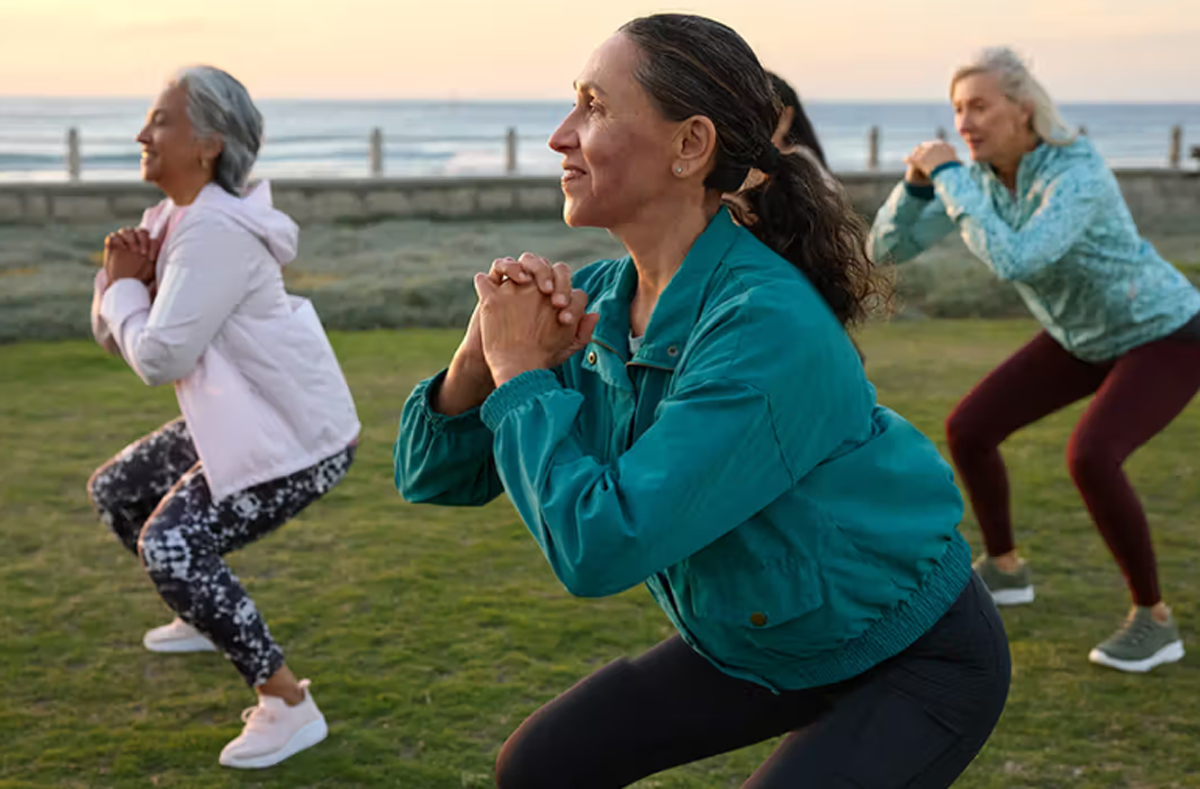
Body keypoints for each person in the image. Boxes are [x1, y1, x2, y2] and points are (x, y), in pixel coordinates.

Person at [395, 14, 1009, 788]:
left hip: (913, 651)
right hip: (760, 640)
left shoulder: (765, 325)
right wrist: (479, 356)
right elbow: (431, 475)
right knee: (541, 765)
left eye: (593, 106)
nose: (560, 135)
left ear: (691, 145)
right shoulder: (599, 301)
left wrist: (521, 374)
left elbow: (600, 545)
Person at [868, 46, 1200, 673]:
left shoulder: (1076, 172)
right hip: (1079, 337)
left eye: (980, 106)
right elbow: (884, 247)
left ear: (1022, 110)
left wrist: (951, 178)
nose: (964, 122)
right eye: (957, 109)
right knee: (970, 429)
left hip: (1163, 331)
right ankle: (1006, 569)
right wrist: (915, 188)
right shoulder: (981, 179)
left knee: (1093, 455)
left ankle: (1155, 621)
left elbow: (1020, 257)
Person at [87, 66, 361, 767]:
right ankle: (202, 611)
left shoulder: (215, 231)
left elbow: (155, 355)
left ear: (209, 143)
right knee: (117, 491)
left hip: (296, 434)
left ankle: (289, 705)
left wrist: (125, 288)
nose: (142, 134)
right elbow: (111, 327)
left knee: (171, 544)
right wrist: (119, 284)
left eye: (160, 121)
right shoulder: (172, 219)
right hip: (238, 416)